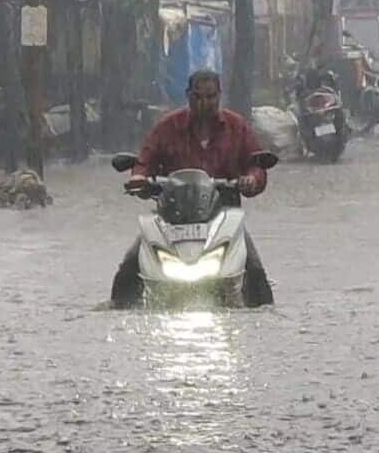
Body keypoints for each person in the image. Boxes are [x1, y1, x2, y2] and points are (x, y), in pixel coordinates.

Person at [113, 70, 273, 307]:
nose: (204, 103)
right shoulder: (167, 127)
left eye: (210, 97)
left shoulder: (236, 127)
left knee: (255, 271)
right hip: (171, 217)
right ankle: (116, 311)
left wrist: (251, 179)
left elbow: (255, 164)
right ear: (188, 96)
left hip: (224, 218)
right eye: (198, 97)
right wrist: (139, 179)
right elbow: (144, 161)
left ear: (219, 96)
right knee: (128, 267)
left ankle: (266, 317)